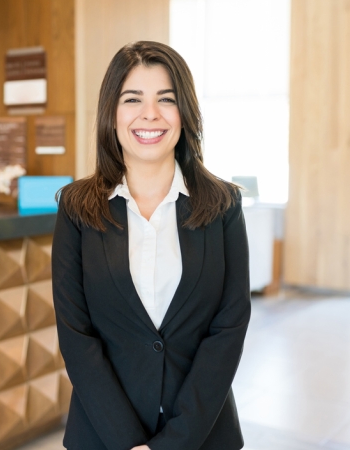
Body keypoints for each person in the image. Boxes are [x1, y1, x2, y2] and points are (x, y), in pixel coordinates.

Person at [52, 41, 251, 450]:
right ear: (112, 112)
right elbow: (77, 337)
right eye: (132, 99)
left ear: (185, 113)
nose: (150, 114)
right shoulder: (75, 208)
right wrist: (127, 443)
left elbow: (228, 330)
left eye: (166, 99)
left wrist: (174, 444)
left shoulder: (224, 205)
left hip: (202, 436)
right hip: (102, 436)